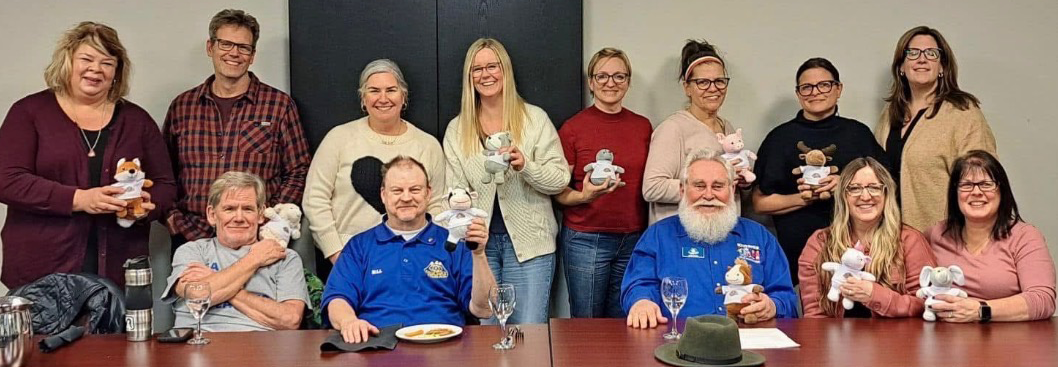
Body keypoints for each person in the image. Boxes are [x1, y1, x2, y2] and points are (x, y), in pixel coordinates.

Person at [0, 21, 176, 289]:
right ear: (68, 62)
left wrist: (144, 208)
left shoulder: (137, 120)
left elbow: (166, 185)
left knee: (116, 333)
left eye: (107, 62)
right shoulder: (28, 112)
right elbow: (7, 179)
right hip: (40, 274)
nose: (96, 69)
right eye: (87, 59)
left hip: (119, 274)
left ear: (117, 72)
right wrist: (78, 199)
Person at [442, 38, 569, 324]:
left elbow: (560, 179)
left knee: (529, 334)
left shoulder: (534, 119)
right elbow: (453, 191)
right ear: (469, 77)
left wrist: (525, 166)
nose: (485, 75)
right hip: (480, 248)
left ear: (505, 70)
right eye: (477, 69)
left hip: (531, 246)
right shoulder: (457, 128)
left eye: (492, 66)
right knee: (489, 334)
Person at [164, 9, 310, 246]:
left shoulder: (279, 106)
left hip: (257, 240)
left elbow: (299, 170)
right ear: (210, 48)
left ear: (252, 55)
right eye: (226, 44)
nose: (234, 53)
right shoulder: (182, 107)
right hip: (192, 238)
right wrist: (173, 220)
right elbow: (165, 173)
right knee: (194, 286)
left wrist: (271, 221)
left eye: (243, 47)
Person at [322, 156, 496, 343]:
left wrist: (478, 254)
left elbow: (484, 309)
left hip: (445, 349)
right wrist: (349, 322)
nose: (406, 197)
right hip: (376, 347)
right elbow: (337, 299)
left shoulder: (454, 244)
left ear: (428, 193)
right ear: (383, 195)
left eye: (415, 189)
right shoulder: (359, 246)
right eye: (397, 190)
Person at [622, 149, 797, 329]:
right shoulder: (658, 236)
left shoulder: (760, 237)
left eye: (718, 186)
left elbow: (786, 297)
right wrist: (641, 302)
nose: (708, 195)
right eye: (699, 185)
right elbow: (638, 285)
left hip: (747, 343)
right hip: (678, 341)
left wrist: (772, 305)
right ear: (682, 190)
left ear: (732, 189)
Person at [753, 58, 887, 281]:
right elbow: (760, 203)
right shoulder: (780, 138)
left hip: (859, 256)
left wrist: (845, 185)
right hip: (797, 256)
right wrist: (805, 198)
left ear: (838, 89)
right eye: (806, 87)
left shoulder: (858, 134)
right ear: (798, 94)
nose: (815, 92)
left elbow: (885, 190)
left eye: (824, 85)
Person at [304, 59, 446, 264]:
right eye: (374, 90)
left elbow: (437, 203)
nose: (383, 98)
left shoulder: (427, 145)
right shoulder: (338, 138)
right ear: (363, 98)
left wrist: (425, 252)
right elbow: (314, 199)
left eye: (391, 90)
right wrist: (336, 253)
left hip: (413, 258)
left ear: (403, 96)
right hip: (349, 257)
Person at [556, 47, 652, 318]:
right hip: (586, 238)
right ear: (591, 82)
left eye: (619, 76)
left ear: (628, 81)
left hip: (634, 237)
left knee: (625, 321)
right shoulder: (573, 128)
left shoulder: (643, 126)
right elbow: (557, 192)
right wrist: (584, 196)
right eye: (603, 76)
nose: (611, 83)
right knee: (587, 323)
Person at [875, 26, 997, 232]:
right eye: (912, 53)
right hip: (889, 238)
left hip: (944, 238)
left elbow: (983, 182)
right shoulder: (889, 115)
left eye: (931, 53)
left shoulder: (963, 112)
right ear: (901, 67)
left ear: (942, 67)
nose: (922, 59)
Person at [163, 171, 309, 331]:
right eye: (229, 209)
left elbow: (290, 320)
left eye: (247, 209)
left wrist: (215, 282)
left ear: (261, 214)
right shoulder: (192, 251)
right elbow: (197, 295)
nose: (239, 218)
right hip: (198, 344)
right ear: (212, 215)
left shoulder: (284, 257)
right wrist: (254, 259)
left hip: (261, 349)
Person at [926, 151, 1056, 322]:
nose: (977, 192)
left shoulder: (1025, 237)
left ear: (1002, 191)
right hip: (946, 342)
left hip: (1008, 342)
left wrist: (982, 310)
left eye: (986, 184)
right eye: (966, 185)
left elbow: (1043, 300)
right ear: (955, 193)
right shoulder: (935, 235)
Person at [798, 157, 937, 318]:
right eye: (855, 188)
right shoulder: (820, 243)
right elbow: (815, 315)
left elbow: (925, 304)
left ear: (886, 193)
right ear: (843, 195)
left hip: (897, 340)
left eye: (874, 187)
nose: (865, 196)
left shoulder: (909, 240)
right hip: (836, 340)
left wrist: (875, 295)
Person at [643, 39, 741, 224]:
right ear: (687, 87)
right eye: (702, 82)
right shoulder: (673, 129)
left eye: (719, 81)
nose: (713, 89)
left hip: (721, 236)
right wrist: (706, 186)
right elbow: (652, 187)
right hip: (682, 238)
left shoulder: (728, 128)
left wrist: (741, 182)